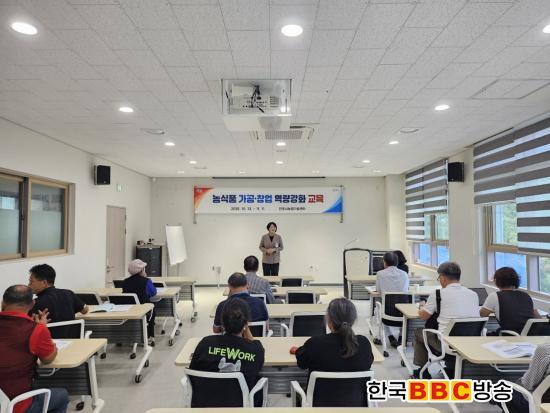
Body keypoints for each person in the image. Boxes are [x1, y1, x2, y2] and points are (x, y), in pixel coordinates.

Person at [0, 285, 69, 413]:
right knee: (62, 395)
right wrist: (43, 332)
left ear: (3, 302)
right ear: (32, 304)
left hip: (3, 399)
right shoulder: (35, 330)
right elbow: (48, 359)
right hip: (17, 404)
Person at [295, 298, 374, 405]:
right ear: (353, 319)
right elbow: (368, 362)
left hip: (319, 405)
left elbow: (301, 364)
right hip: (356, 405)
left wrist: (299, 350)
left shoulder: (315, 343)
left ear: (329, 320)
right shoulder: (364, 344)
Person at [190, 298, 265, 407]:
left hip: (205, 406)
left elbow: (193, 373)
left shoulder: (205, 343)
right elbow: (257, 362)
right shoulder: (255, 349)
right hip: (239, 406)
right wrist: (246, 328)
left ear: (222, 323)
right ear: (246, 323)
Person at [412, 262, 479, 379]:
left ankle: (423, 371)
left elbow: (423, 316)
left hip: (446, 345)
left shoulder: (438, 294)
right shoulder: (473, 294)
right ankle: (452, 368)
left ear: (442, 278)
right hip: (470, 343)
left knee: (419, 332)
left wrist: (422, 307)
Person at [28, 264, 88, 339]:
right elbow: (85, 310)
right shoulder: (68, 293)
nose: (29, 285)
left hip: (49, 342)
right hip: (73, 341)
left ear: (44, 283)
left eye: (31, 281)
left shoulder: (35, 303)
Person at [480, 267, 539, 334]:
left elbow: (482, 314)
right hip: (530, 334)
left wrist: (493, 309)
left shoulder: (494, 296)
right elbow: (538, 318)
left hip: (510, 335)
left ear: (496, 281)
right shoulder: (526, 296)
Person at [374, 251, 410, 347]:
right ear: (397, 262)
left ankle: (390, 336)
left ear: (385, 262)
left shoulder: (380, 274)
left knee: (378, 309)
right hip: (403, 312)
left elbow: (378, 290)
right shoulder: (404, 274)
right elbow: (406, 290)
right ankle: (401, 337)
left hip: (387, 313)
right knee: (402, 307)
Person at [503, 341, 550, 412]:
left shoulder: (545, 350)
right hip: (546, 406)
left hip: (539, 405)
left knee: (500, 391)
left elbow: (528, 383)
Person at [122, 259, 157, 345]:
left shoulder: (125, 282)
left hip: (129, 310)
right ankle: (149, 336)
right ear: (141, 270)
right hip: (144, 311)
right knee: (152, 309)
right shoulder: (146, 281)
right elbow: (153, 292)